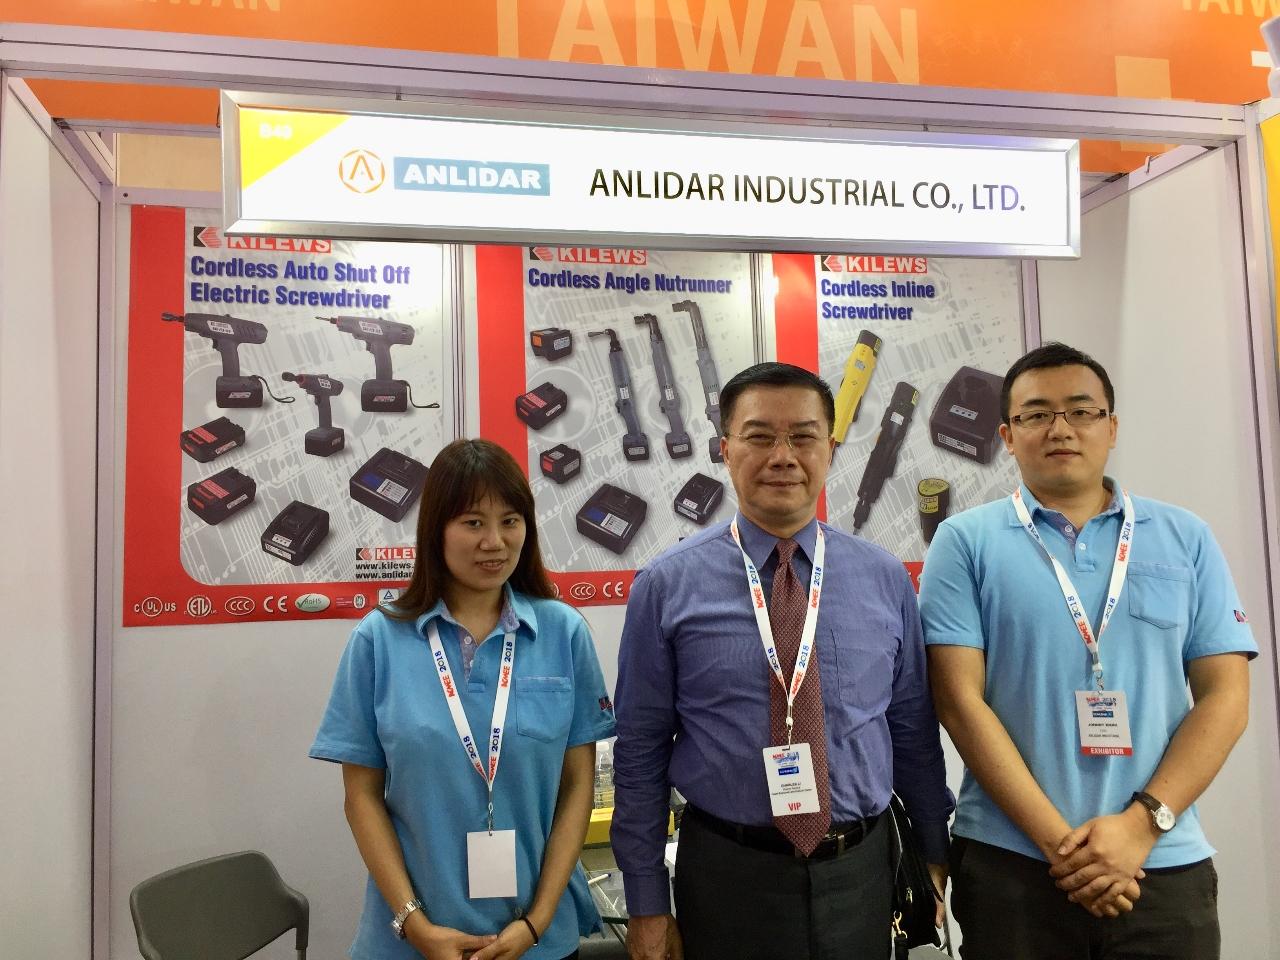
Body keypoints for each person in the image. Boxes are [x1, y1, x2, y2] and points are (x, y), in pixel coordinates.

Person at [919, 343, 1256, 960]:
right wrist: (1063, 848)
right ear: (1007, 435)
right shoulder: (963, 541)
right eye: (1036, 414)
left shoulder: (1185, 536)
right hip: (1013, 864)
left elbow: (1226, 697)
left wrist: (1140, 826)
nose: (1060, 429)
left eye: (1081, 411)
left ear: (1112, 427)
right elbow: (959, 702)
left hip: (1161, 860)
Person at [611, 362, 953, 960]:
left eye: (803, 436)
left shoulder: (885, 579)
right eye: (760, 436)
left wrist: (933, 852)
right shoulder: (665, 587)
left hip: (862, 872)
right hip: (727, 875)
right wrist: (646, 904)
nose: (782, 456)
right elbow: (640, 752)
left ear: (831, 450)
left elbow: (912, 730)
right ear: (725, 450)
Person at [311, 438, 617, 960]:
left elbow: (577, 786)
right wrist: (415, 925)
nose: (494, 542)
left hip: (537, 940)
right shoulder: (378, 641)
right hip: (411, 942)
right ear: (437, 529)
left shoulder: (563, 633)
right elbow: (361, 797)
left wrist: (538, 922)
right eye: (473, 522)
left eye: (510, 521)